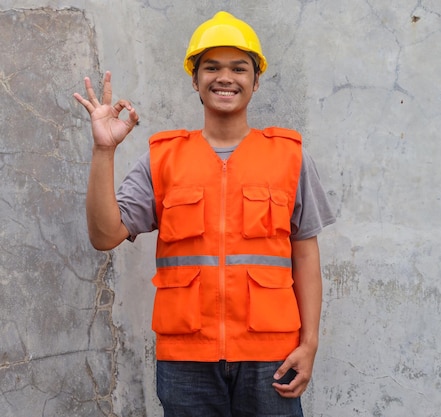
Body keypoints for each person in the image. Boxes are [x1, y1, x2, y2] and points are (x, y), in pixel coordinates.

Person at [73, 11, 335, 417]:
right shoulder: (163, 159)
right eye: (211, 67)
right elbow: (105, 235)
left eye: (238, 68)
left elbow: (305, 255)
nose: (225, 77)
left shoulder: (290, 156)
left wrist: (310, 342)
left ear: (256, 80)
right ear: (195, 80)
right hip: (186, 361)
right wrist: (104, 150)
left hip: (271, 356)